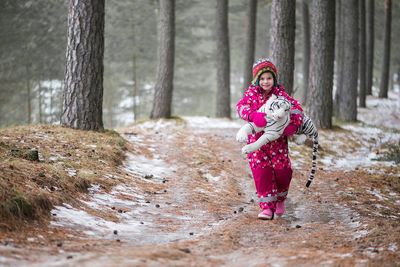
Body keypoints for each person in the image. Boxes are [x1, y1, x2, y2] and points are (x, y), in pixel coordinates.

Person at [236, 58, 303, 220]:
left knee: (283, 171)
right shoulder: (251, 95)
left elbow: (296, 110)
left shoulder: (281, 95)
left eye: (269, 78)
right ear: (257, 80)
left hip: (278, 142)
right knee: (262, 173)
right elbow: (241, 107)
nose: (266, 82)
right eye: (262, 78)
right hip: (256, 142)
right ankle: (266, 207)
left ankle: (280, 199)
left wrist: (293, 126)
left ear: (274, 79)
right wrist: (252, 115)